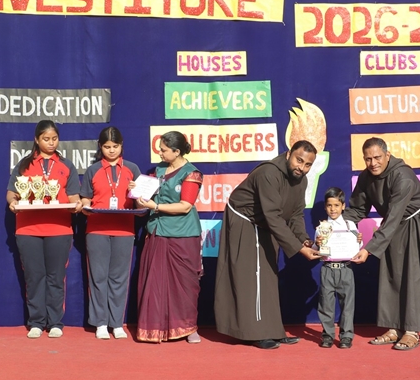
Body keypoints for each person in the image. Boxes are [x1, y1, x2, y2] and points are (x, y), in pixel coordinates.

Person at [214, 140, 321, 349]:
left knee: (268, 278)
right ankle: (256, 333)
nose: (302, 167)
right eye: (299, 160)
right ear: (289, 154)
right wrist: (300, 249)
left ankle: (273, 331)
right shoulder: (268, 173)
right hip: (246, 221)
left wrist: (303, 238)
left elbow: (296, 214)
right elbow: (273, 216)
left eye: (308, 164)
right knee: (252, 277)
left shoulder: (301, 180)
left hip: (266, 223)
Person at [344, 137, 420, 351]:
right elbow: (358, 210)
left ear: (387, 155)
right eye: (368, 159)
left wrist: (368, 249)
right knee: (391, 271)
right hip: (395, 222)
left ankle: (412, 330)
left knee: (413, 274)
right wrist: (334, 224)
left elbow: (392, 218)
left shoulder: (402, 176)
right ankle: (393, 328)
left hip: (418, 221)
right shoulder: (365, 177)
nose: (373, 163)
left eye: (377, 157)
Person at [6, 119, 82, 339]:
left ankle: (55, 322)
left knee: (56, 277)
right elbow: (11, 192)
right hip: (28, 229)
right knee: (34, 277)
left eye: (54, 139)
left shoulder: (67, 165)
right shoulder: (24, 165)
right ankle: (37, 322)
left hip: (59, 229)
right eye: (46, 139)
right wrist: (12, 202)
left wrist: (77, 204)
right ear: (37, 140)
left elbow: (73, 196)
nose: (51, 143)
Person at [134, 131, 204, 343]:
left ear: (177, 151)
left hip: (182, 235)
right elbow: (142, 201)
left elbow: (185, 206)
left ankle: (188, 328)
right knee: (155, 283)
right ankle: (156, 328)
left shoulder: (192, 173)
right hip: (157, 231)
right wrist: (136, 193)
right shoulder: (158, 171)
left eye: (164, 150)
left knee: (184, 285)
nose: (160, 153)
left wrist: (155, 206)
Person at [79, 127, 141, 340]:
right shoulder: (93, 169)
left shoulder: (132, 169)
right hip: (97, 229)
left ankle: (117, 323)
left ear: (121, 146)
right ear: (100, 147)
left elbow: (141, 202)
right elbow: (85, 198)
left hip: (124, 230)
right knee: (98, 277)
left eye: (115, 146)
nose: (111, 150)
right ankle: (101, 323)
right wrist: (86, 206)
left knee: (119, 278)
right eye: (107, 147)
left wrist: (136, 191)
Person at [315, 187, 360, 349]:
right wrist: (317, 243)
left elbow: (357, 245)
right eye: (329, 205)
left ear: (343, 206)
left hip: (346, 268)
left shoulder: (350, 225)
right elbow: (316, 249)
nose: (333, 209)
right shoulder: (322, 227)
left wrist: (359, 240)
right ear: (325, 207)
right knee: (326, 304)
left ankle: (346, 336)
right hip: (327, 268)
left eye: (336, 205)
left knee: (347, 304)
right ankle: (327, 335)